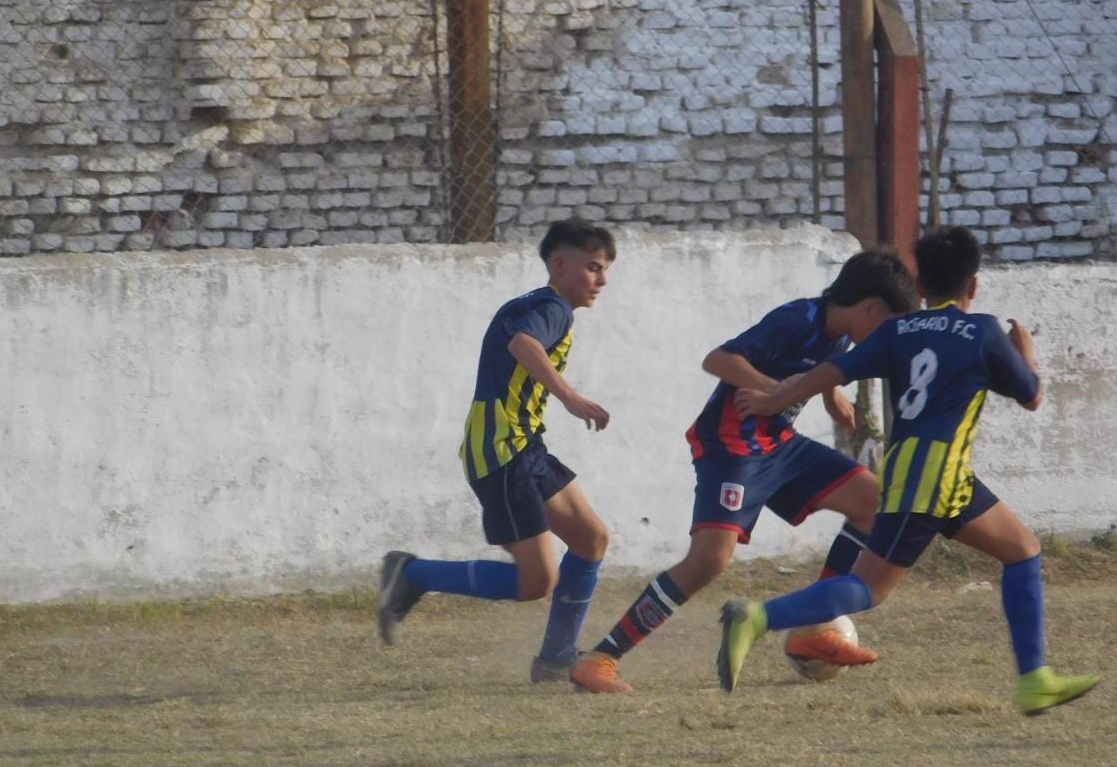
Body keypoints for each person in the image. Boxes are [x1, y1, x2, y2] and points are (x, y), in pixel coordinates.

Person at [719, 226, 1100, 715]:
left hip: (929, 471)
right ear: (973, 284)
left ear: (919, 286)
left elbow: (832, 372)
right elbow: (1032, 397)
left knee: (1022, 549)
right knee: (868, 589)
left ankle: (1034, 680)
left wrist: (776, 397)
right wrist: (1024, 351)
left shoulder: (899, 331)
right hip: (935, 474)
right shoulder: (983, 331)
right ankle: (756, 617)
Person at [571, 248, 919, 694]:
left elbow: (820, 369)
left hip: (780, 444)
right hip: (732, 445)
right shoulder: (798, 318)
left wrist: (830, 396)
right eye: (887, 325)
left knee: (874, 503)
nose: (886, 337)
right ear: (869, 308)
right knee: (709, 560)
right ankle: (600, 658)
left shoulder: (842, 334)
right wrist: (775, 391)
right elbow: (718, 359)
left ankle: (814, 629)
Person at [377, 219, 616, 683]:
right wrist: (571, 397)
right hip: (502, 453)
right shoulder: (552, 307)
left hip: (525, 446)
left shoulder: (540, 303)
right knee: (536, 581)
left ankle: (556, 659)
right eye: (593, 267)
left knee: (591, 539)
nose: (602, 280)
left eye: (604, 269)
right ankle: (412, 574)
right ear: (559, 266)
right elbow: (523, 343)